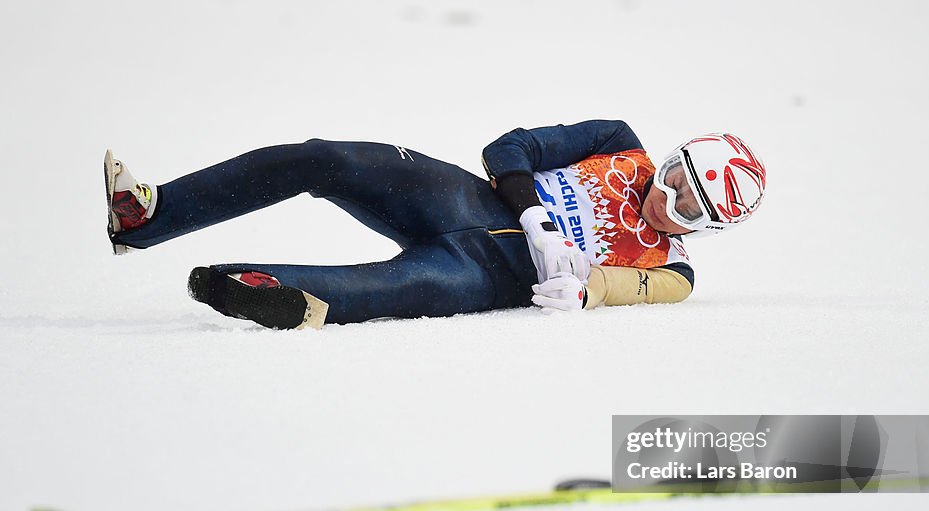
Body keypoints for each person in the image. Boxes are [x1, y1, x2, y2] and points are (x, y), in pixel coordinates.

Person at [103, 120, 766, 330]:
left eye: (687, 209)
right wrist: (533, 212)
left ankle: (259, 287)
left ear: (705, 228)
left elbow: (631, 290)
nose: (667, 202)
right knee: (326, 160)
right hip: (465, 201)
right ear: (673, 157)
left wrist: (588, 288)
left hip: (485, 276)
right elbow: (511, 149)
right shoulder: (619, 141)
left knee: (377, 291)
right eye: (677, 179)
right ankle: (149, 212)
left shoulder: (673, 270)